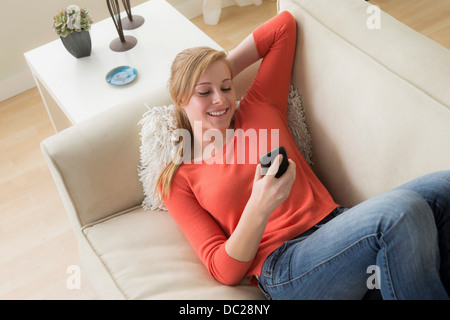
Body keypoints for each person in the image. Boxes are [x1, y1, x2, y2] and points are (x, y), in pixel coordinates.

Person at [156, 11, 450, 299]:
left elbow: (283, 27)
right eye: (204, 93)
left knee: (444, 189)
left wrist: (216, 68)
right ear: (180, 99)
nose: (220, 99)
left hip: (336, 226)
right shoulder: (179, 179)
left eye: (226, 87)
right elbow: (223, 270)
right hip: (285, 266)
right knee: (400, 212)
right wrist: (258, 207)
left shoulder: (259, 105)